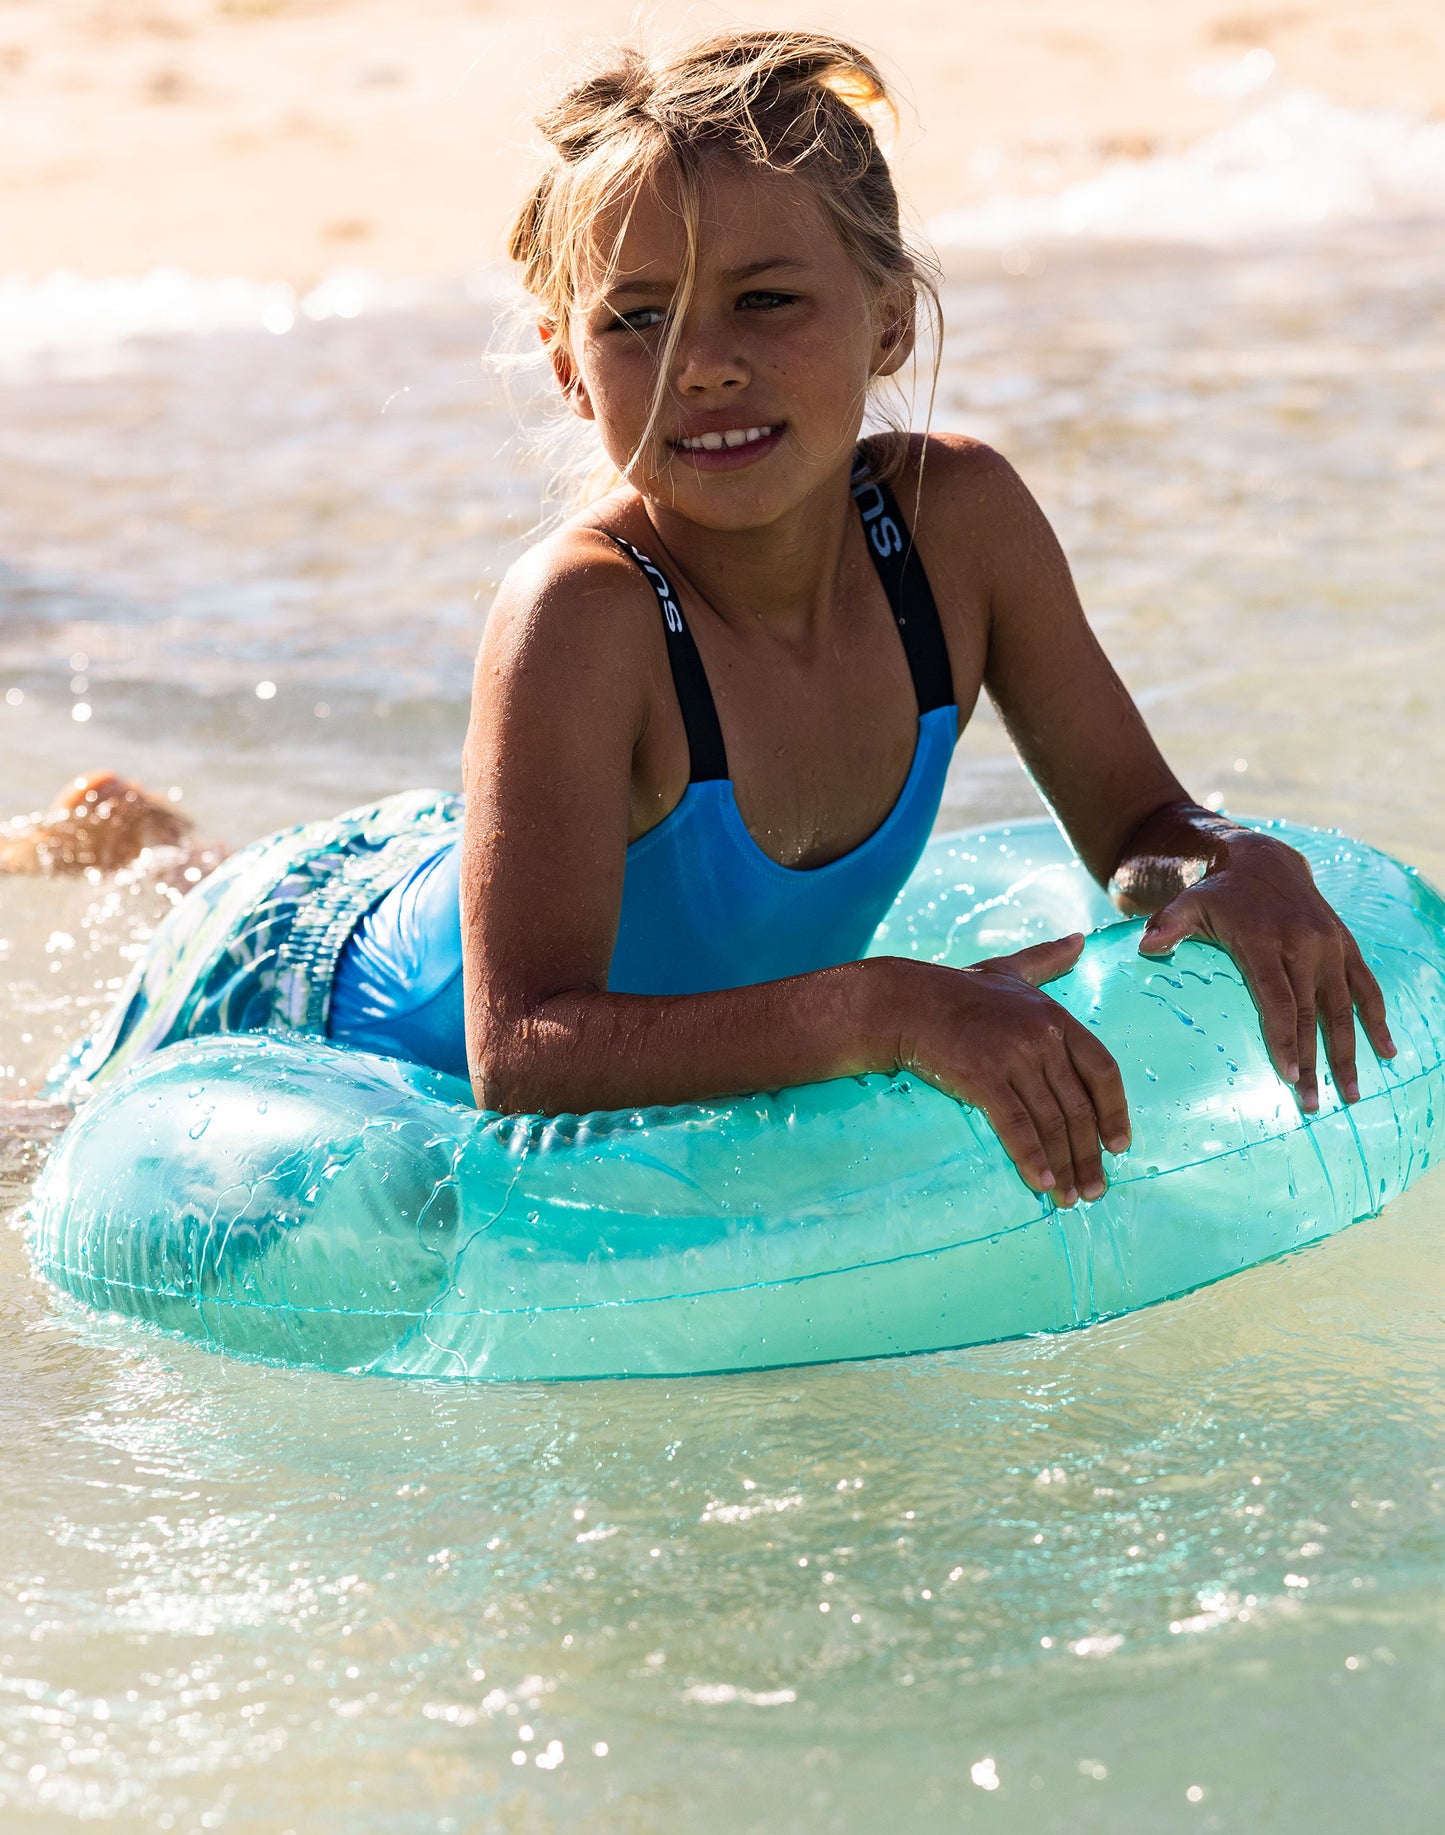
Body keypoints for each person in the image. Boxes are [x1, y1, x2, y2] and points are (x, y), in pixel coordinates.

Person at [41, 31, 1394, 1211]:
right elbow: (522, 1053)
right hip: (299, 978)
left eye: (765, 299)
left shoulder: (956, 527)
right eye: (637, 319)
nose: (704, 363)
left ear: (882, 321)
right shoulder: (582, 614)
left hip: (463, 867)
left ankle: (148, 837)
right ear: (570, 370)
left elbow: (1136, 829)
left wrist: (1224, 859)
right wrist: (890, 1005)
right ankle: (165, 863)